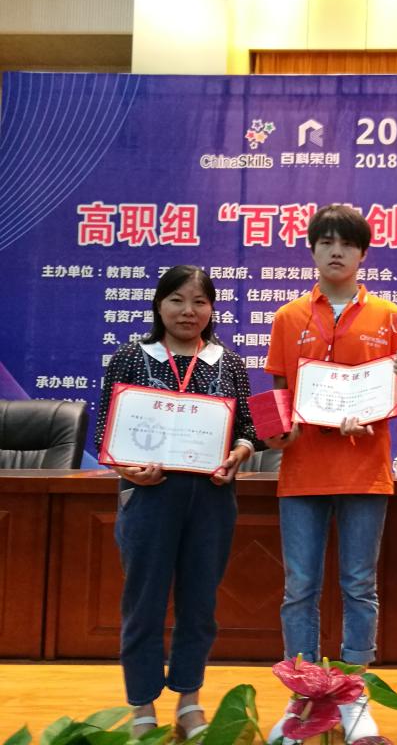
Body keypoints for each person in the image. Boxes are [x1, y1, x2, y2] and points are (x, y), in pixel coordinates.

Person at [264, 204, 397, 743]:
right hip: (303, 471)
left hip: (364, 469)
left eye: (347, 243)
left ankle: (353, 695)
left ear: (363, 253)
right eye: (326, 241)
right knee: (299, 587)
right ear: (311, 249)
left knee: (359, 585)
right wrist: (277, 432)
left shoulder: (390, 317)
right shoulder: (288, 317)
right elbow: (277, 395)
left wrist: (390, 399)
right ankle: (303, 696)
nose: (336, 251)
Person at [94, 265, 257, 740]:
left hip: (211, 498)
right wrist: (127, 469)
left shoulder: (228, 363)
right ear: (158, 305)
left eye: (200, 302)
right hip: (149, 497)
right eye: (177, 300)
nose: (189, 311)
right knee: (143, 603)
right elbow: (107, 428)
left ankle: (189, 699)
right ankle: (142, 705)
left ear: (212, 309)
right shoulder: (131, 357)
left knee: (200, 604)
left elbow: (246, 428)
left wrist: (239, 453)